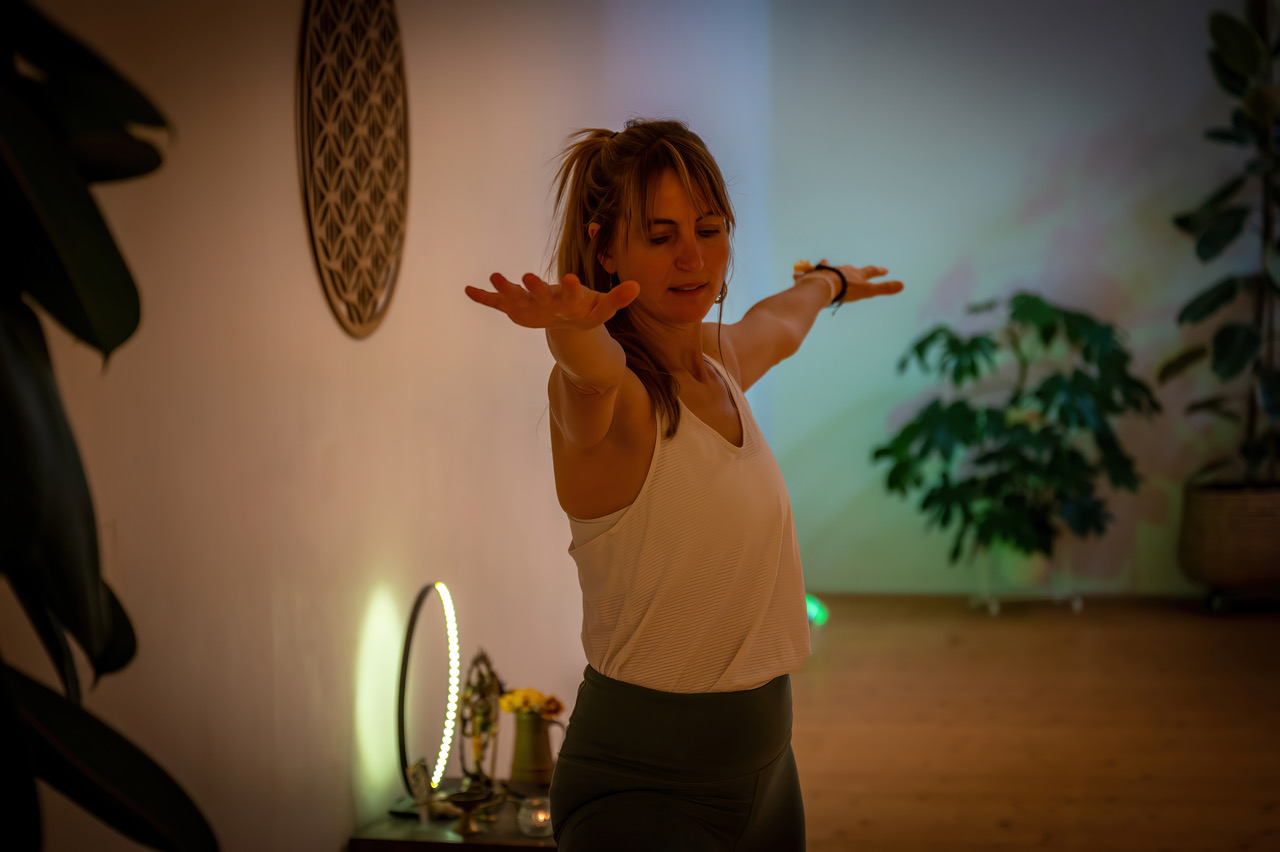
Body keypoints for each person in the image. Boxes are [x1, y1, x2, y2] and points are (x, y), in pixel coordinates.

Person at [464, 118, 903, 851]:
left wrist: (828, 282)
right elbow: (589, 368)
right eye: (660, 236)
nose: (693, 257)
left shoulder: (719, 364)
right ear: (607, 250)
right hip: (644, 791)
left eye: (708, 228)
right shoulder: (616, 399)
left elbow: (778, 323)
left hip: (768, 769)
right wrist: (568, 327)